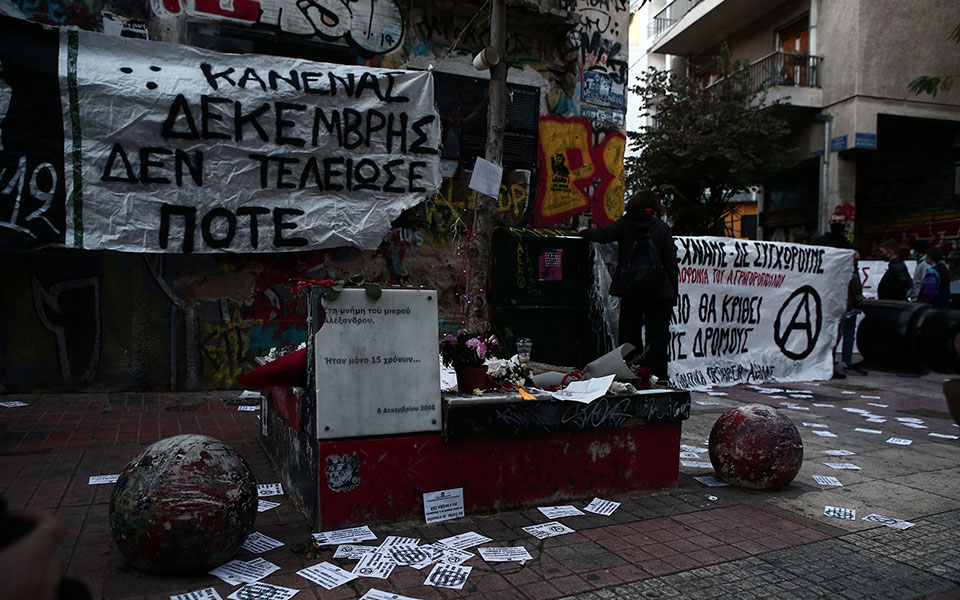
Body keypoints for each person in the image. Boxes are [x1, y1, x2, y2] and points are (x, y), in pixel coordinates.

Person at [578, 190, 679, 381]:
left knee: (629, 335)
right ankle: (658, 377)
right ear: (654, 207)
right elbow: (670, 264)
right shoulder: (662, 228)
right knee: (657, 338)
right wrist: (672, 294)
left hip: (630, 288)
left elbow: (603, 235)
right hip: (658, 291)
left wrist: (584, 232)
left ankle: (632, 373)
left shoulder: (625, 224)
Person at [808, 211, 865, 376]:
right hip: (824, 292)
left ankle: (830, 364)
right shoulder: (820, 241)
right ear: (829, 222)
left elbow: (853, 274)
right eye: (835, 221)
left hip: (840, 295)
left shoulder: (848, 246)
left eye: (840, 221)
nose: (837, 223)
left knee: (835, 332)